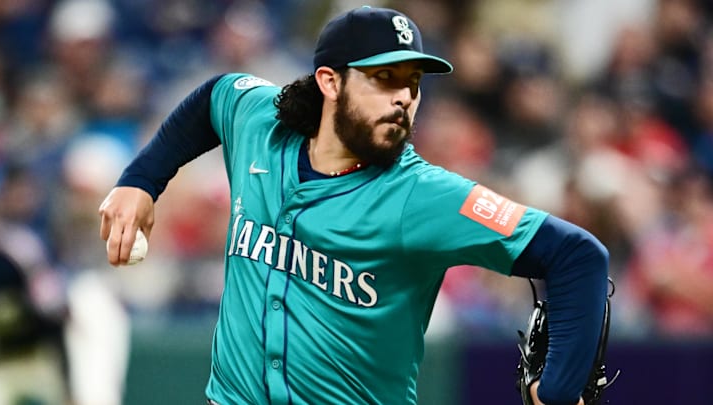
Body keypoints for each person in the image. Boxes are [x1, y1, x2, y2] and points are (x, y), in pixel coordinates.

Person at [98, 6, 608, 405]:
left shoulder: (423, 195)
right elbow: (217, 95)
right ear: (330, 82)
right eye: (385, 79)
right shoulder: (261, 127)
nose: (404, 98)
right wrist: (141, 181)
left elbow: (578, 256)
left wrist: (559, 390)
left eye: (413, 83)